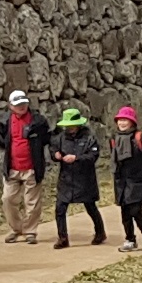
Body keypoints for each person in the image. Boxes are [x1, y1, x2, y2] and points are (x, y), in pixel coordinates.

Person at [0, 88, 51, 246]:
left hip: (32, 167)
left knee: (32, 202)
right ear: (10, 106)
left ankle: (30, 231)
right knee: (7, 199)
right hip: (12, 167)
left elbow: (47, 138)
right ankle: (16, 229)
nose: (21, 106)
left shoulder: (38, 121)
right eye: (17, 104)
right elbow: (1, 138)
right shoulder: (5, 121)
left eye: (23, 103)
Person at [49, 105, 106, 249]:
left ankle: (100, 233)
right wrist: (55, 155)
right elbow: (53, 148)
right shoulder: (60, 138)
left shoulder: (89, 138)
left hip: (85, 179)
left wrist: (76, 158)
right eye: (67, 126)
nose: (70, 128)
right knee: (60, 208)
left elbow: (93, 156)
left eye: (72, 126)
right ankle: (63, 238)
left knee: (90, 206)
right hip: (66, 178)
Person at [109, 107, 142, 250]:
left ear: (132, 122)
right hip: (121, 181)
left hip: (137, 181)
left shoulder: (139, 137)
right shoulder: (114, 138)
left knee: (135, 209)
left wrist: (140, 169)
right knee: (125, 212)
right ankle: (130, 239)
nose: (122, 123)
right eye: (120, 120)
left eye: (125, 120)